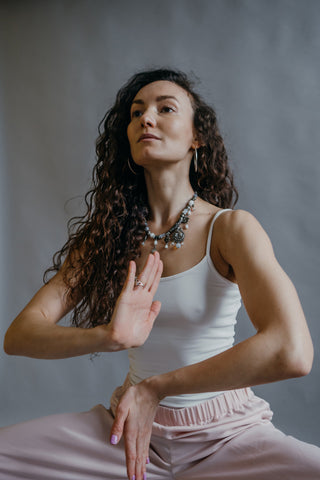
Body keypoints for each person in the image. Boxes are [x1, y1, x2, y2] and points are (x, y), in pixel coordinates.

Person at [1, 68, 320, 480]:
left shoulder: (230, 229)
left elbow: (292, 351)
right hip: (128, 431)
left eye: (164, 108)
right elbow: (19, 335)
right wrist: (106, 337)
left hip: (227, 437)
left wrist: (157, 387)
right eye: (136, 113)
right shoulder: (108, 237)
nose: (145, 119)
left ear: (196, 136)